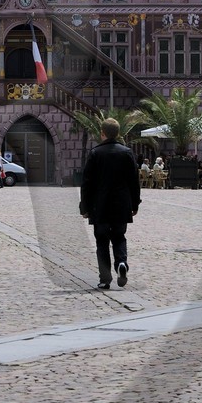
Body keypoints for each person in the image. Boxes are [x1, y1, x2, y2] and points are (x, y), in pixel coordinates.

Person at [79, 117, 142, 290]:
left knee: (102, 242)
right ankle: (121, 263)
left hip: (99, 205)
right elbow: (134, 182)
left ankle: (105, 278)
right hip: (121, 205)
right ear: (118, 133)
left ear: (102, 133)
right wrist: (135, 204)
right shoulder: (126, 152)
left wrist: (85, 207)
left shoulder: (95, 153)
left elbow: (87, 183)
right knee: (119, 237)